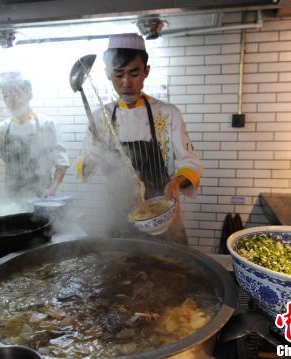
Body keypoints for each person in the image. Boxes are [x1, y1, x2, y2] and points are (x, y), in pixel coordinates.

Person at [76, 33, 203, 244]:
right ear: (108, 74)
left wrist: (176, 183)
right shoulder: (100, 118)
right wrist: (95, 153)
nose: (126, 82)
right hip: (117, 218)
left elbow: (190, 161)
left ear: (146, 72)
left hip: (161, 216)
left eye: (134, 73)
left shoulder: (167, 113)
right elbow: (84, 172)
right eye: (119, 74)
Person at [0, 72, 69, 197]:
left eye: (15, 94)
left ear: (29, 94)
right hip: (11, 198)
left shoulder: (46, 125)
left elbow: (61, 163)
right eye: (5, 96)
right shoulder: (2, 129)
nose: (10, 100)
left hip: (42, 196)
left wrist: (51, 190)